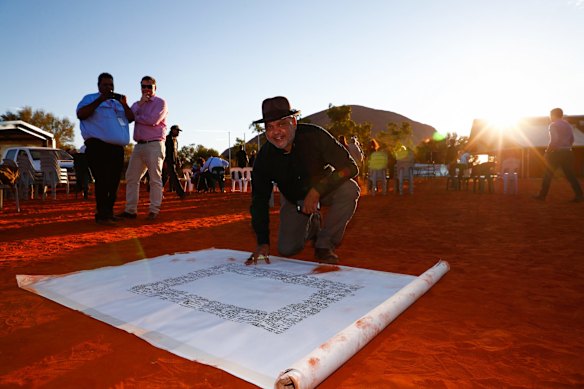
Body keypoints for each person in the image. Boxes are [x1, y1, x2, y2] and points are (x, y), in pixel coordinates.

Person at [247, 96, 360, 265]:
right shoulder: (265, 158)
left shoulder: (315, 135)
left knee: (350, 189)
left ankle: (324, 243)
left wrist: (317, 191)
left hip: (326, 190)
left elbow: (350, 167)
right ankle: (313, 224)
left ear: (293, 121)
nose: (275, 132)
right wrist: (262, 242)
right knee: (287, 249)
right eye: (269, 127)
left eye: (281, 124)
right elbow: (259, 200)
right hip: (294, 200)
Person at [77, 72, 132, 226]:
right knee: (102, 180)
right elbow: (81, 114)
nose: (109, 87)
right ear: (99, 86)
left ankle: (109, 212)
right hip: (97, 146)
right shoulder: (89, 98)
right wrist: (100, 100)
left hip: (117, 148)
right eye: (105, 85)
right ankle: (101, 214)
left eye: (111, 85)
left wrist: (125, 104)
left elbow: (130, 118)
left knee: (114, 182)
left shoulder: (117, 104)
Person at [117, 76, 168, 221]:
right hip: (139, 145)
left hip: (154, 144)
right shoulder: (137, 104)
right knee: (131, 177)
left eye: (149, 87)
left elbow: (153, 120)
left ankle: (154, 210)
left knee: (155, 178)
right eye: (143, 86)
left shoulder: (161, 103)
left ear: (155, 88)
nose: (146, 89)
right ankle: (130, 210)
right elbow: (127, 118)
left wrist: (137, 116)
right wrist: (139, 106)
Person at [534, 108, 583, 202]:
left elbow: (554, 140)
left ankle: (542, 195)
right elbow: (572, 139)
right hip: (568, 152)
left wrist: (547, 151)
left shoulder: (553, 125)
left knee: (548, 174)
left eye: (550, 115)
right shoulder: (568, 125)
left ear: (553, 115)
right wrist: (567, 147)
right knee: (570, 175)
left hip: (556, 153)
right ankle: (579, 195)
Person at [161, 124, 186, 199]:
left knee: (165, 178)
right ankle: (181, 193)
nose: (178, 132)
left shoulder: (175, 140)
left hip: (173, 161)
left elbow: (175, 152)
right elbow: (165, 151)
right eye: (177, 131)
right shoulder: (167, 139)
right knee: (174, 177)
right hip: (168, 161)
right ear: (173, 130)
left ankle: (155, 191)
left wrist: (177, 160)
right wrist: (164, 161)